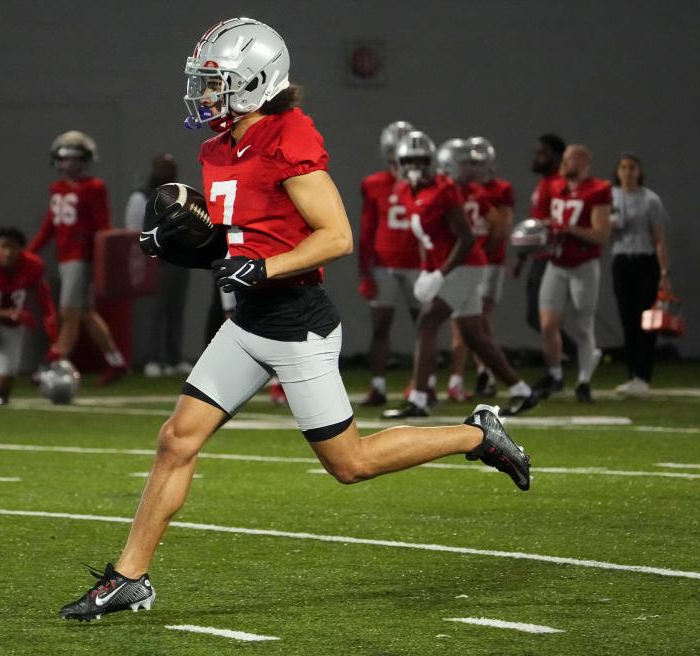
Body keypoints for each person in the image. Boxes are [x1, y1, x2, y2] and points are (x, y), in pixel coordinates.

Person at [58, 18, 531, 622]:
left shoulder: (288, 137)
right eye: (203, 83)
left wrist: (264, 267)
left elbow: (335, 237)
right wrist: (182, 245)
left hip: (296, 323)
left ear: (253, 82)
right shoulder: (217, 148)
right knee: (176, 441)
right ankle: (130, 578)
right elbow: (236, 240)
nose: (204, 95)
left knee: (350, 464)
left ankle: (477, 434)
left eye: (215, 83)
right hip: (250, 321)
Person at [383, 135, 537, 419]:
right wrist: (427, 270)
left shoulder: (444, 189)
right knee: (473, 335)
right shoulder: (406, 191)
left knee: (427, 322)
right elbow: (427, 239)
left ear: (433, 163)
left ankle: (418, 399)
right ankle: (522, 392)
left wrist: (439, 275)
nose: (415, 166)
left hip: (465, 265)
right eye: (409, 161)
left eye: (421, 161)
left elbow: (466, 239)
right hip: (451, 267)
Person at [28, 131, 128, 384]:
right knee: (84, 313)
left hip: (81, 257)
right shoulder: (57, 189)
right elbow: (49, 227)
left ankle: (55, 363)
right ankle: (117, 363)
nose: (69, 164)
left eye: (75, 159)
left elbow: (103, 226)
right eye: (64, 159)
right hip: (65, 258)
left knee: (68, 312)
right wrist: (29, 255)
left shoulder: (94, 188)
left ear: (85, 160)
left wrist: (102, 259)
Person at [534, 144, 611, 402]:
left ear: (583, 162)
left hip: (583, 265)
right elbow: (543, 222)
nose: (564, 164)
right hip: (556, 264)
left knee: (583, 326)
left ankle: (584, 381)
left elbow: (600, 234)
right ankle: (555, 376)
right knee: (547, 325)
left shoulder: (598, 189)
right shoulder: (554, 186)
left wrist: (568, 229)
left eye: (569, 160)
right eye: (564, 159)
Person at [357, 120, 420, 406]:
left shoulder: (429, 183)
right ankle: (378, 385)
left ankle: (421, 385)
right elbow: (367, 230)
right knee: (380, 327)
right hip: (384, 264)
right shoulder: (374, 184)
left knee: (424, 327)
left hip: (418, 263)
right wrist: (365, 272)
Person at [447, 137, 515, 400]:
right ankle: (463, 378)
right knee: (462, 323)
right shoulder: (458, 190)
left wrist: (480, 256)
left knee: (477, 321)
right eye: (467, 163)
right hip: (463, 262)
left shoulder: (490, 191)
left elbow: (501, 228)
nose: (471, 169)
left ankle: (482, 373)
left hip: (483, 262)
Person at [0, 227, 57, 404]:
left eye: (13, 247)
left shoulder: (33, 265)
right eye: (3, 246)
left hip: (14, 328)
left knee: (3, 393)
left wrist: (53, 334)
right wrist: (10, 313)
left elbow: (45, 299)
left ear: (22, 249)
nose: (8, 252)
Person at [125, 154, 193, 377]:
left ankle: (174, 358)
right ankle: (152, 358)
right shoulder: (141, 196)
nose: (166, 172)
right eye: (162, 168)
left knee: (176, 310)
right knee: (155, 311)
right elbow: (135, 230)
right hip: (156, 261)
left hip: (180, 258)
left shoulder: (182, 193)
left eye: (170, 168)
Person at [609, 153, 671, 397]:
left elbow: (658, 239)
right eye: (623, 167)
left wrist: (664, 270)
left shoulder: (650, 199)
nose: (627, 172)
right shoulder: (610, 196)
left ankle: (643, 375)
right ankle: (632, 374)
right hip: (622, 260)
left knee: (646, 319)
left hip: (645, 261)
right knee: (627, 318)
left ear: (639, 171)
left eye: (632, 167)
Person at [514, 134, 579, 363]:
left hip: (552, 258)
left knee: (542, 315)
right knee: (537, 316)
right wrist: (522, 258)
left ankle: (572, 354)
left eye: (542, 153)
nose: (537, 158)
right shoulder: (545, 183)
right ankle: (568, 354)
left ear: (557, 157)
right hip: (539, 256)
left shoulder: (560, 185)